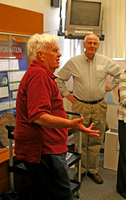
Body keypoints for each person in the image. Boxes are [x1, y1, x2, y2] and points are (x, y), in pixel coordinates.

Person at [14, 33, 100, 200]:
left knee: (47, 193)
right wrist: (71, 124)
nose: (59, 54)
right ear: (41, 54)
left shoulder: (41, 74)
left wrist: (71, 125)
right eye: (55, 50)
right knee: (60, 195)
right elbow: (38, 116)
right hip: (45, 150)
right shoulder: (38, 76)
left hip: (48, 148)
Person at [56, 33, 122, 184]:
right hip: (81, 106)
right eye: (90, 43)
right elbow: (59, 78)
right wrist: (66, 94)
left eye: (95, 43)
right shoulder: (74, 62)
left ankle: (92, 171)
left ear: (98, 46)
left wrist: (110, 87)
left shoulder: (105, 61)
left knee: (96, 139)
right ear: (84, 45)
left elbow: (119, 73)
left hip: (99, 106)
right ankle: (80, 170)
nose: (92, 46)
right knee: (80, 139)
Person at [116, 71, 126, 199]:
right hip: (124, 121)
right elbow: (124, 99)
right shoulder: (124, 75)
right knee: (125, 155)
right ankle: (122, 187)